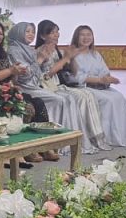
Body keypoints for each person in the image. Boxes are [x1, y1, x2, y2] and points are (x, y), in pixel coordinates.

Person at [6, 22, 84, 162]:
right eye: (27, 31)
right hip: (24, 87)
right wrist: (40, 59)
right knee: (58, 99)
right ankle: (49, 142)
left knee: (68, 98)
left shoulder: (28, 50)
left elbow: (36, 74)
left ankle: (56, 142)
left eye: (32, 32)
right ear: (19, 32)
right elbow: (25, 75)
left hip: (34, 85)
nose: (31, 34)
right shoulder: (14, 50)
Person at [0, 19, 46, 167]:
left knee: (37, 102)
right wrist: (10, 71)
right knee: (25, 107)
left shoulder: (2, 53)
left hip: (6, 90)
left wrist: (15, 74)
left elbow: (10, 77)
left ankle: (37, 146)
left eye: (0, 33)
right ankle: (17, 152)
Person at [35, 20, 110, 154]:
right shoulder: (40, 51)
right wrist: (65, 59)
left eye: (57, 32)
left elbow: (73, 72)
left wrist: (72, 58)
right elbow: (46, 75)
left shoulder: (58, 50)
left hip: (59, 85)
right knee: (75, 98)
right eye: (52, 32)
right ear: (42, 36)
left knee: (87, 95)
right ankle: (70, 142)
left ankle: (94, 137)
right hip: (47, 86)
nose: (56, 35)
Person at [70, 25, 126, 147]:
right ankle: (103, 137)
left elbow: (105, 72)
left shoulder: (95, 54)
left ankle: (119, 136)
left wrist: (107, 79)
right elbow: (77, 77)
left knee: (120, 98)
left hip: (101, 86)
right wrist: (99, 80)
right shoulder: (73, 55)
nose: (86, 38)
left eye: (89, 35)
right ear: (77, 37)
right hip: (84, 88)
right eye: (82, 35)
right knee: (108, 101)